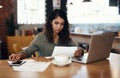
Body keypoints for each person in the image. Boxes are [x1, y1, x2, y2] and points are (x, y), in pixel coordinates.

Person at [9, 9, 84, 61]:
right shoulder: (40, 37)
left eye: (62, 24)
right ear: (51, 22)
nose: (59, 27)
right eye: (56, 23)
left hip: (62, 71)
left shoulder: (65, 37)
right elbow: (28, 51)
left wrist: (80, 51)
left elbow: (78, 49)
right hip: (45, 71)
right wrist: (19, 55)